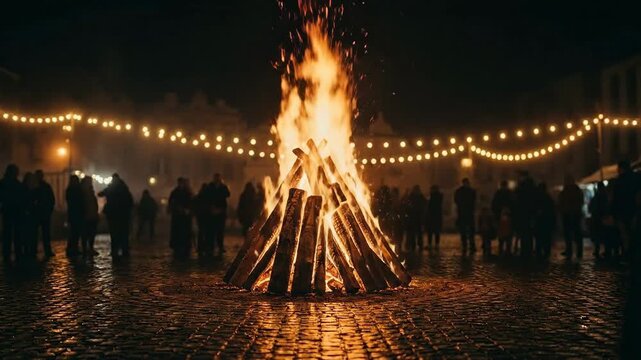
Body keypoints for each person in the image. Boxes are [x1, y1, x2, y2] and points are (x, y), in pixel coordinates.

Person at [98, 173, 134, 257]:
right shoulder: (124, 188)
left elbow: (100, 194)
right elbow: (130, 201)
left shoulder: (111, 188)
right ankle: (124, 250)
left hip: (113, 214)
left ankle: (115, 250)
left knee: (114, 233)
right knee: (123, 233)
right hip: (123, 214)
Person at [612, 160, 641, 258]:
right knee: (634, 234)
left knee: (625, 235)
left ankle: (628, 253)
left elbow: (615, 198)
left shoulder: (619, 181)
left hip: (623, 212)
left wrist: (613, 213)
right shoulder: (637, 178)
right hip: (635, 211)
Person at [0, 164, 24, 262]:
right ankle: (15, 253)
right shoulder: (15, 183)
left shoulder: (4, 183)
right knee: (13, 233)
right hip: (13, 210)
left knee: (9, 233)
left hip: (9, 210)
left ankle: (8, 253)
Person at [558, 175, 584, 259]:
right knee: (575, 234)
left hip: (569, 214)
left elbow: (561, 202)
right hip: (573, 214)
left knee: (570, 234)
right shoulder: (576, 190)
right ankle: (577, 251)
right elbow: (581, 201)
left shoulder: (566, 191)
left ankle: (571, 251)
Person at [204, 173, 230, 255]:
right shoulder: (210, 187)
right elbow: (207, 197)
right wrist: (211, 208)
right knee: (211, 231)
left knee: (220, 231)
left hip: (221, 212)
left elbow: (228, 194)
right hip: (211, 212)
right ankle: (211, 247)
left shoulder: (223, 187)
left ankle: (220, 246)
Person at [168, 177, 193, 257]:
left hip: (185, 216)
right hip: (177, 216)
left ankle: (185, 246)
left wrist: (188, 209)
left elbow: (191, 202)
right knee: (177, 231)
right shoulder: (175, 192)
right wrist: (177, 208)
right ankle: (177, 246)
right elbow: (171, 202)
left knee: (185, 232)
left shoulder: (188, 192)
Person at [514, 172, 537, 256]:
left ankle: (525, 250)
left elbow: (516, 200)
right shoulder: (532, 188)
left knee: (524, 233)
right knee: (528, 233)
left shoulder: (521, 188)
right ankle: (528, 249)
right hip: (529, 213)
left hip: (522, 213)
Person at [34, 170, 55, 257]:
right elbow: (51, 200)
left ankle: (34, 250)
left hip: (38, 213)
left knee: (37, 233)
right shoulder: (45, 186)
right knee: (45, 233)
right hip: (42, 213)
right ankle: (47, 250)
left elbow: (51, 200)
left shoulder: (36, 186)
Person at [454, 178, 477, 255]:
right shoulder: (469, 191)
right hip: (465, 213)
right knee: (465, 231)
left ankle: (470, 245)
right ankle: (467, 245)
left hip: (466, 213)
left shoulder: (461, 191)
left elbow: (456, 200)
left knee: (469, 231)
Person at [534, 182, 556, 259]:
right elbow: (552, 210)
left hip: (540, 221)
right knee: (546, 238)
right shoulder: (548, 197)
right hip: (546, 221)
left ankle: (539, 252)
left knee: (539, 238)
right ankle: (546, 252)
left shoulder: (537, 198)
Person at [21, 172, 39, 258]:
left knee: (32, 233)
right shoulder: (25, 189)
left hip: (32, 214)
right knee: (27, 233)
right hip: (27, 214)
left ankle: (31, 249)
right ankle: (27, 249)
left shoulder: (34, 189)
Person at [589, 182, 608, 258]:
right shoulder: (605, 196)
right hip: (602, 218)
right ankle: (605, 251)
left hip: (598, 218)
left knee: (599, 235)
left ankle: (598, 251)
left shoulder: (597, 197)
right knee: (604, 235)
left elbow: (591, 207)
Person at [80, 177, 99, 255]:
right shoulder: (82, 192)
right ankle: (85, 249)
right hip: (86, 215)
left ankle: (89, 248)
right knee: (86, 233)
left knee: (91, 233)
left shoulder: (90, 191)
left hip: (92, 215)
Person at [65, 175, 83, 256]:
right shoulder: (77, 190)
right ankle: (73, 248)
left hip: (73, 213)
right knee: (75, 232)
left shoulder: (70, 190)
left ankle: (72, 248)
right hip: (77, 213)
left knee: (74, 232)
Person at [405, 185, 426, 252]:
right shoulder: (412, 197)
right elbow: (407, 206)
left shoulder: (420, 197)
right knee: (413, 234)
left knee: (418, 233)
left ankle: (419, 245)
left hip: (418, 218)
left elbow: (424, 206)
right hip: (413, 218)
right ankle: (413, 245)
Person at [193, 183, 210, 256]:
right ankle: (205, 246)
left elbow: (195, 205)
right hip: (206, 216)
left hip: (200, 216)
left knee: (201, 232)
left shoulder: (199, 196)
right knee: (206, 232)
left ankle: (201, 247)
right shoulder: (209, 197)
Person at [425, 185, 443, 250]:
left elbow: (430, 206)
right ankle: (436, 244)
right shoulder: (439, 196)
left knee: (432, 232)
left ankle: (432, 244)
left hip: (433, 217)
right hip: (436, 217)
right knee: (436, 232)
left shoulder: (433, 196)